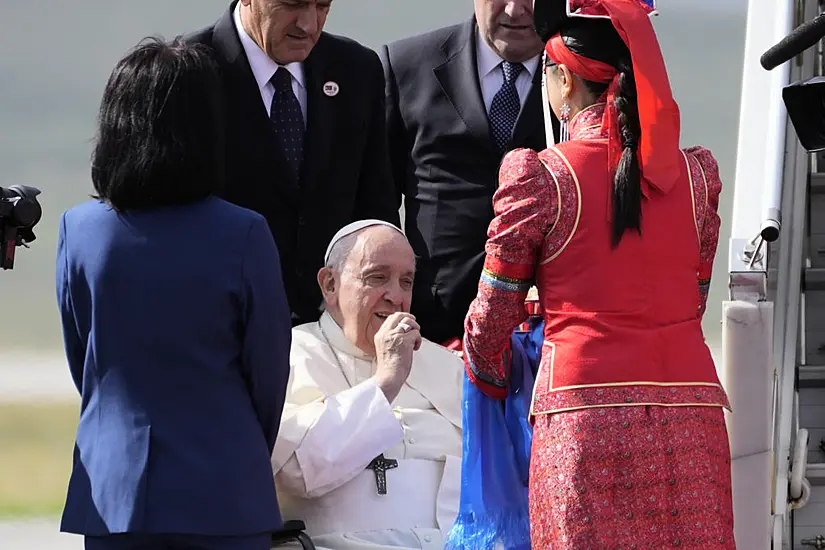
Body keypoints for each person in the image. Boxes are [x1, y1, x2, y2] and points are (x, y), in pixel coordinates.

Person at [462, 0, 735, 548]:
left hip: (584, 420)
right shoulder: (696, 175)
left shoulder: (542, 177)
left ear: (562, 80)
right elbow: (694, 294)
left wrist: (490, 371)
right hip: (693, 421)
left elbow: (492, 320)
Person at [56, 37, 292, 550]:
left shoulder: (80, 229)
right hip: (225, 489)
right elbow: (269, 373)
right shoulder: (245, 232)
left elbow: (85, 361)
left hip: (113, 491)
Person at [186, 0, 399, 326]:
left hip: (331, 337)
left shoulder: (356, 69)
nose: (308, 25)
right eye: (292, 5)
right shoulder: (187, 70)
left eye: (322, 6)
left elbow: (375, 209)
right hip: (218, 327)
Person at [271, 220, 464, 550]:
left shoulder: (449, 365)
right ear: (329, 284)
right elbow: (297, 473)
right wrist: (386, 381)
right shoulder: (288, 353)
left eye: (407, 282)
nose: (396, 296)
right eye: (378, 277)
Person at [380, 0, 555, 345]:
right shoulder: (406, 66)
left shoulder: (589, 73)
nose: (515, 10)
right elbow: (376, 204)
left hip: (549, 329)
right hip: (431, 327)